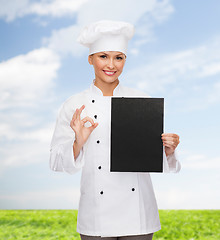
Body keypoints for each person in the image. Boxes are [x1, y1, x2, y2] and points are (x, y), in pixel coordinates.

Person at [50, 20, 181, 240]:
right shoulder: (74, 104)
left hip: (137, 214)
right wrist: (78, 143)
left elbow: (150, 157)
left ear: (124, 61)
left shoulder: (142, 100)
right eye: (103, 56)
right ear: (90, 58)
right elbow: (56, 161)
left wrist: (168, 149)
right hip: (95, 214)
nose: (111, 65)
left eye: (118, 57)